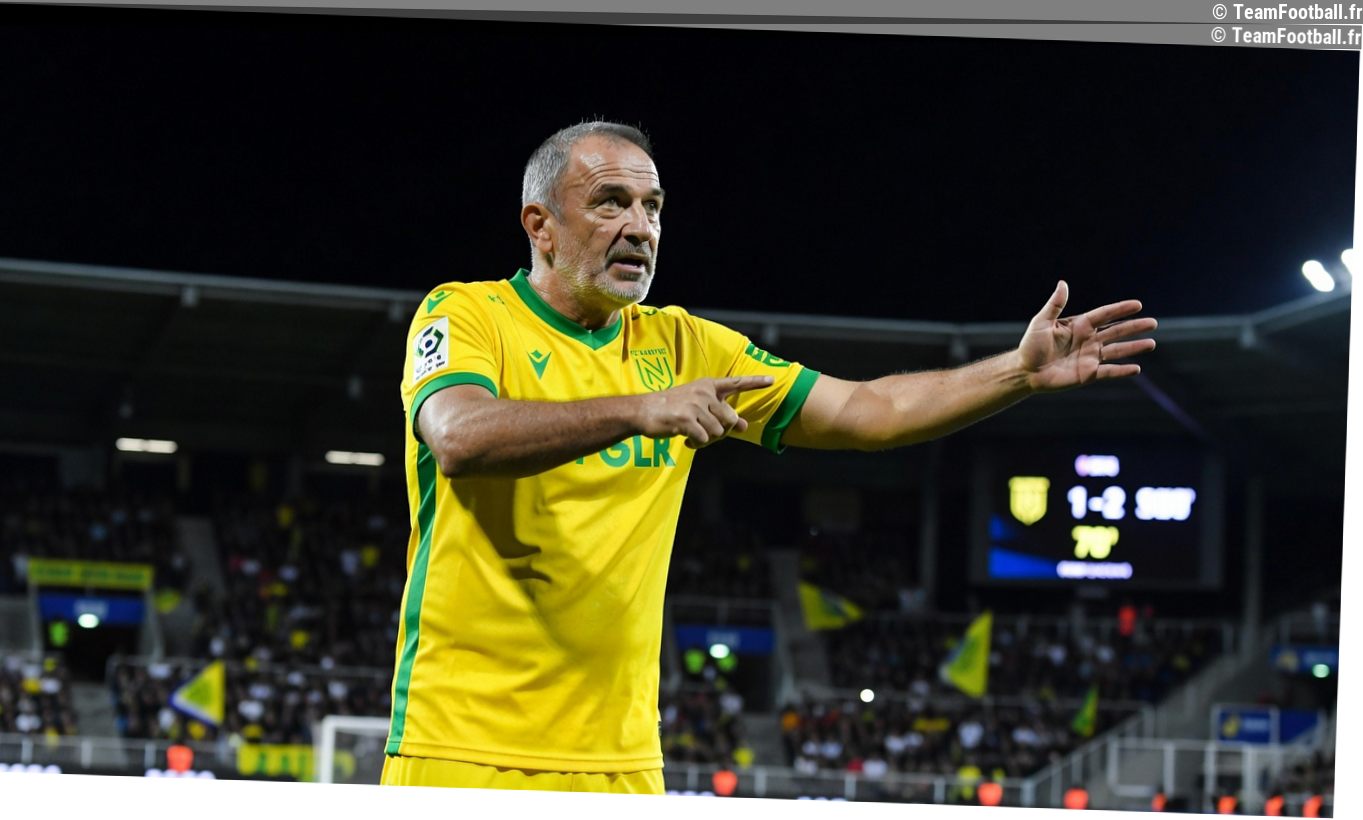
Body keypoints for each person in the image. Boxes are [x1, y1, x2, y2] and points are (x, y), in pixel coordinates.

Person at [381, 121, 1157, 793]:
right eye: (611, 203)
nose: (641, 228)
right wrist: (638, 410)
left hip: (621, 759)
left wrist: (1016, 373)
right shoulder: (467, 313)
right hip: (459, 744)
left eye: (654, 207)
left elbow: (868, 412)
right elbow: (460, 437)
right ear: (541, 225)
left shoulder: (683, 344)